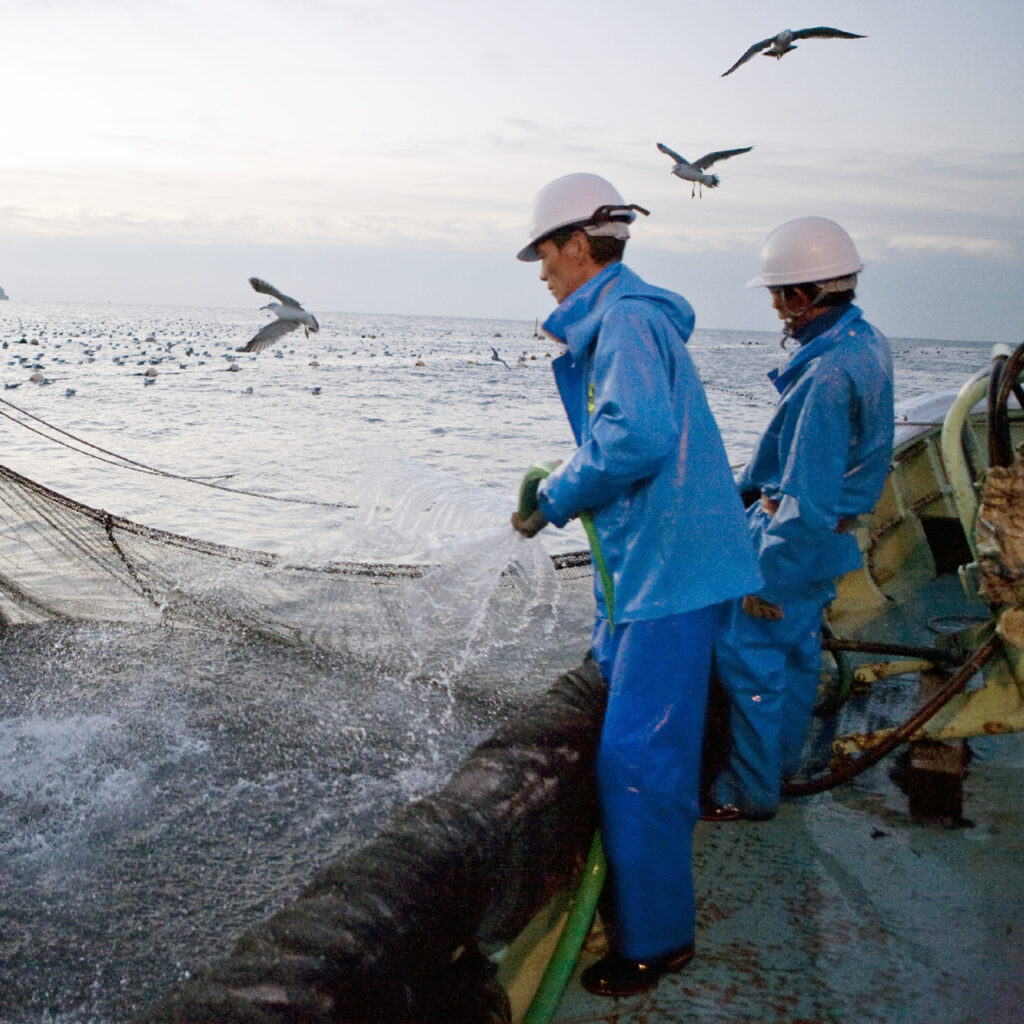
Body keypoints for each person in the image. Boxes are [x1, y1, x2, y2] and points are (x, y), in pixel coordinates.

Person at [510, 172, 762, 997]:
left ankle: (657, 941)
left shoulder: (620, 320)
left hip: (667, 575)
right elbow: (628, 436)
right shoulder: (628, 318)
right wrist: (569, 479)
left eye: (545, 252)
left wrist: (554, 495)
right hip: (654, 569)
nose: (541, 270)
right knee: (637, 735)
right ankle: (640, 880)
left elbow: (637, 436)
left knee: (635, 756)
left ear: (578, 245)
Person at [704, 216, 895, 822]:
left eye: (777, 296)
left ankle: (749, 793)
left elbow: (805, 498)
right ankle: (781, 769)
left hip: (797, 541)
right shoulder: (865, 342)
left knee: (750, 659)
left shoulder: (826, 376)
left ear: (801, 295)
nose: (776, 309)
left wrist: (767, 577)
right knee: (794, 655)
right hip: (829, 542)